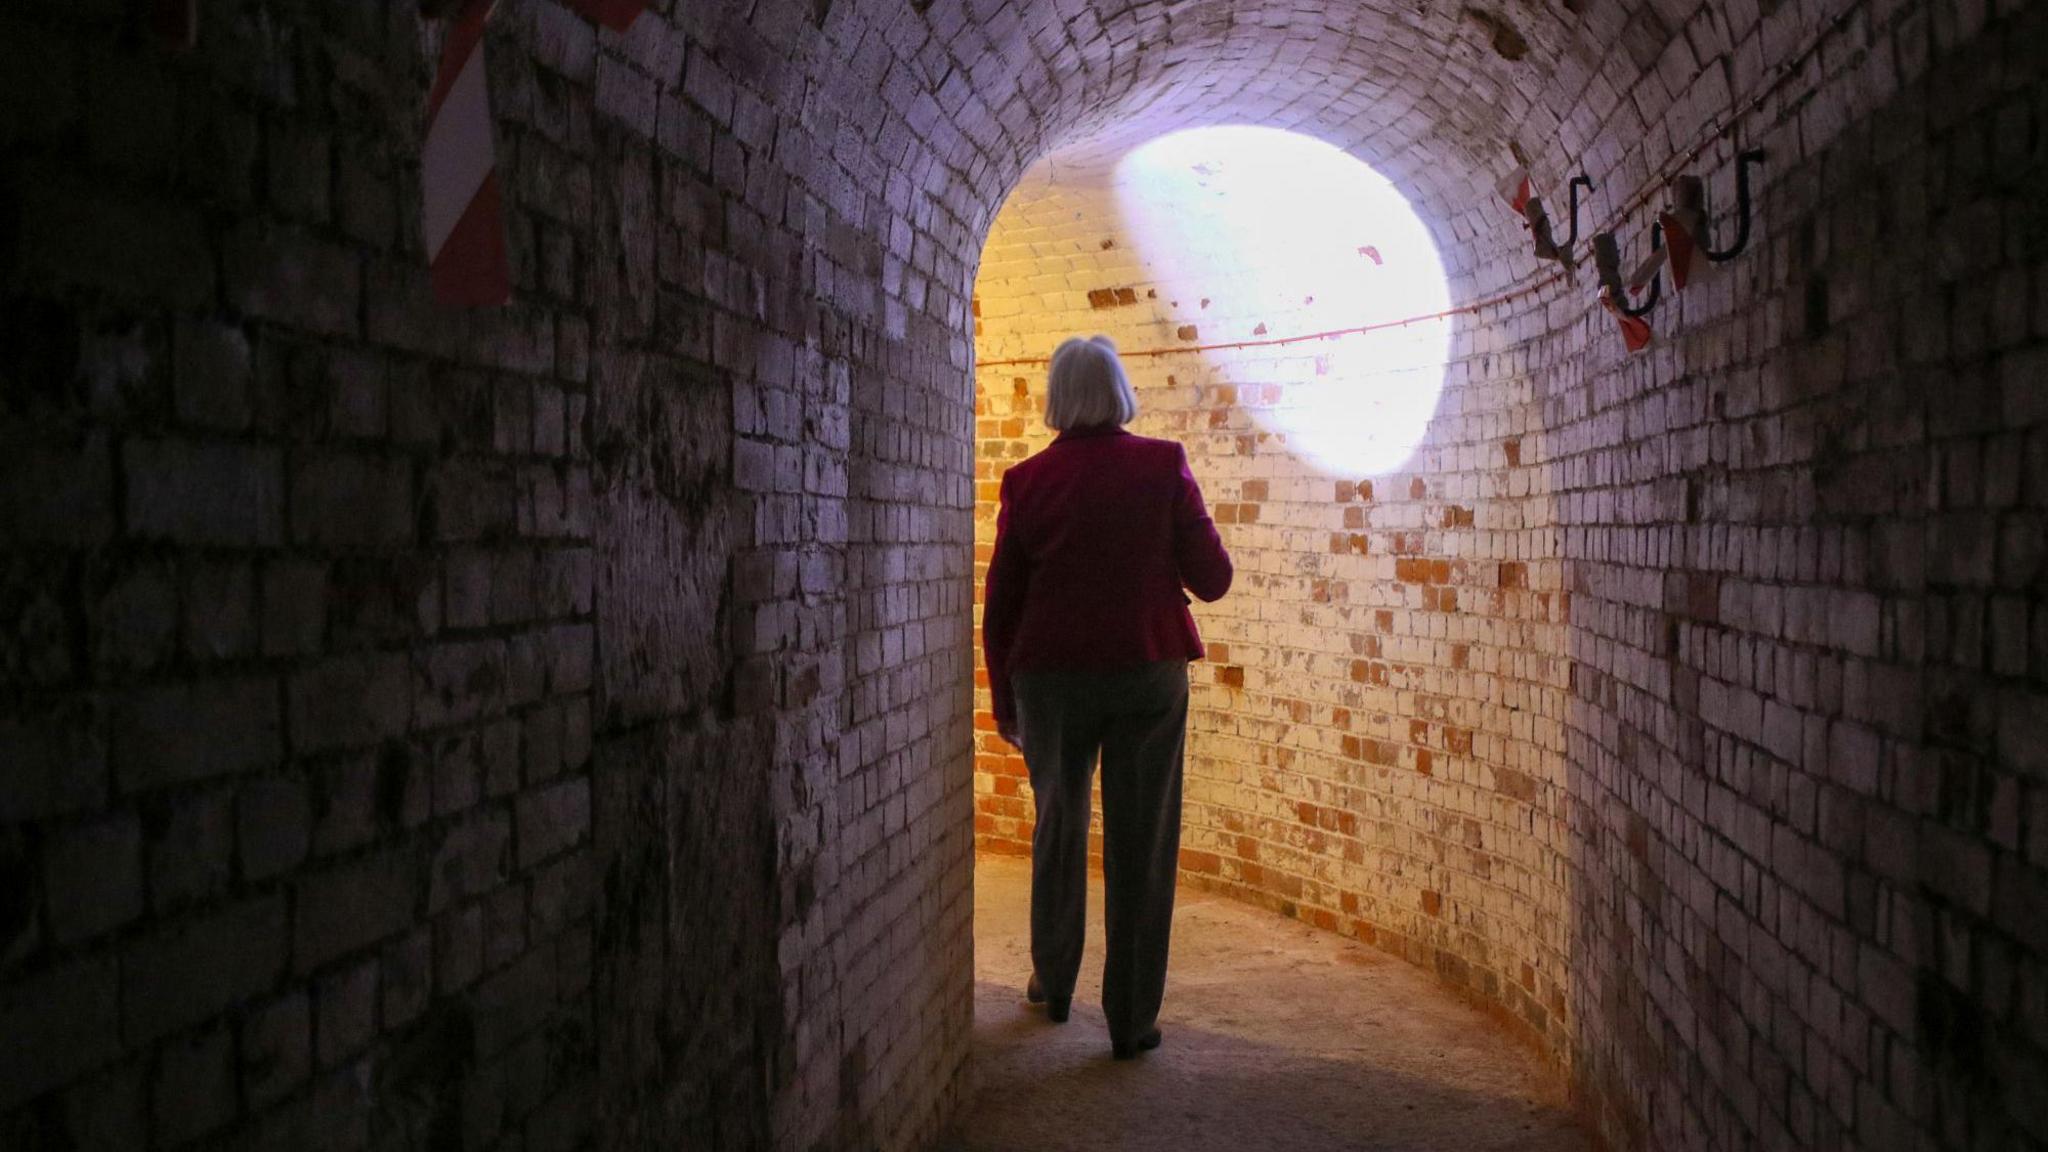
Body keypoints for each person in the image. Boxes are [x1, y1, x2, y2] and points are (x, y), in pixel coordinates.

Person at [982, 335, 1234, 1060]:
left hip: (1051, 678)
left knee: (1058, 825)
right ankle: (1130, 1020)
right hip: (1147, 669)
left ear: (1057, 399)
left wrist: (1004, 701)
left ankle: (1054, 981)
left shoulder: (1026, 481)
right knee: (1142, 842)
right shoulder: (1163, 465)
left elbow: (1002, 606)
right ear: (1120, 390)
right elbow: (1212, 577)